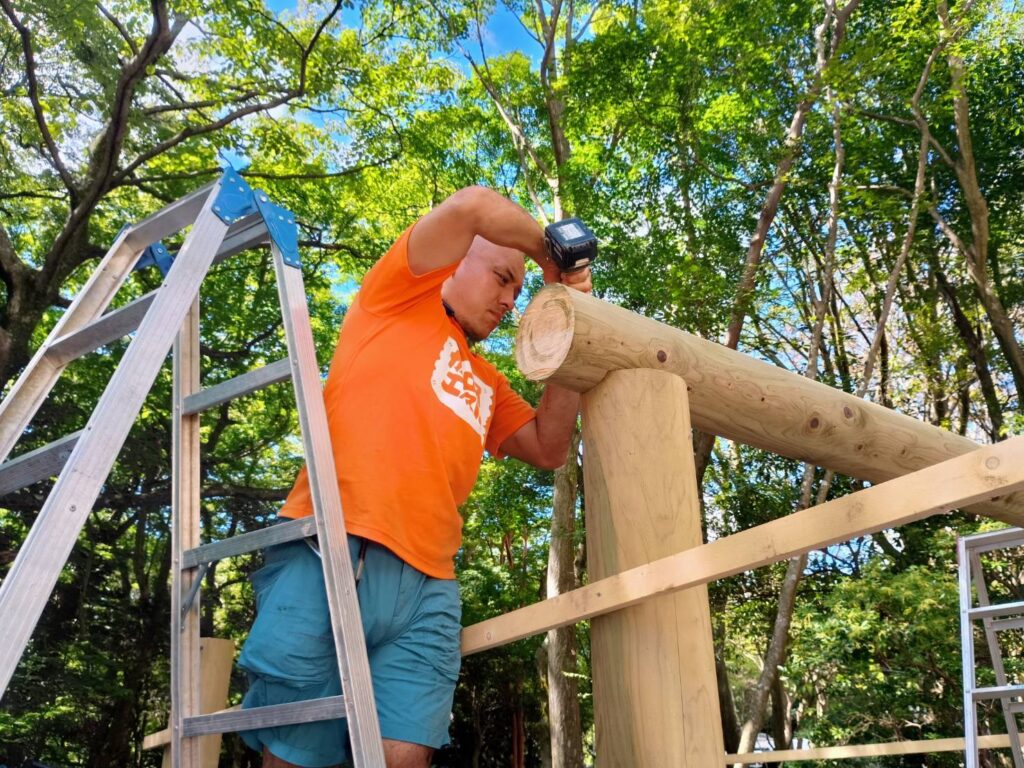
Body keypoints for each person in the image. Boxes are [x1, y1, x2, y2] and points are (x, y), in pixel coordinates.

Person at [237, 185, 592, 768]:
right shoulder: (395, 297)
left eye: (519, 290)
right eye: (503, 276)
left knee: (403, 758)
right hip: (331, 545)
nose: (510, 300)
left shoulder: (488, 381)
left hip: (430, 586)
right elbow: (475, 205)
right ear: (455, 261)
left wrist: (576, 329)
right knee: (293, 755)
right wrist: (550, 256)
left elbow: (551, 447)